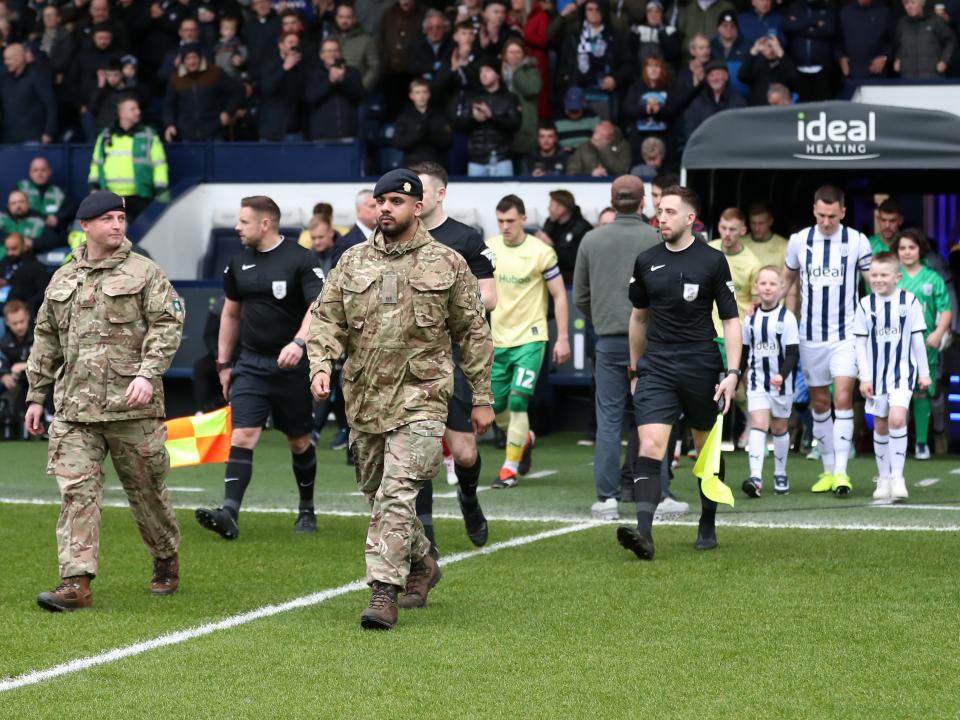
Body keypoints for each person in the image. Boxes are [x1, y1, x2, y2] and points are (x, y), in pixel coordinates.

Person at [306, 169, 494, 630]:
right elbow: (326, 319)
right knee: (378, 493)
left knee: (397, 492)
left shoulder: (447, 262)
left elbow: (472, 332)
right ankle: (423, 562)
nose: (386, 208)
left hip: (423, 398)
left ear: (417, 206)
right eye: (381, 201)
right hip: (365, 398)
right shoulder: (351, 262)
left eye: (396, 201)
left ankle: (383, 592)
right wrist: (319, 364)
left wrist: (482, 396)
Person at [24, 191, 185, 611]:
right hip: (76, 411)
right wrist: (36, 396)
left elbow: (167, 324)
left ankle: (165, 556)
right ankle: (75, 582)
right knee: (77, 494)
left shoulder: (145, 272)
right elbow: (45, 339)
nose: (118, 225)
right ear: (86, 225)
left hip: (133, 409)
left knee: (147, 493)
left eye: (121, 218)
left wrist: (148, 375)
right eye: (108, 219)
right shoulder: (62, 279)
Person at [619, 185, 741, 560]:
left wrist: (733, 372)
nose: (661, 217)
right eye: (659, 210)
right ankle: (644, 534)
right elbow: (638, 318)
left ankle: (707, 522)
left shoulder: (712, 261)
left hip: (702, 362)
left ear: (690, 218)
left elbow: (731, 320)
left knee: (706, 449)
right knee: (651, 445)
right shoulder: (646, 260)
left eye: (670, 211)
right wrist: (635, 370)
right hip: (657, 365)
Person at [195, 196, 326, 541]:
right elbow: (230, 314)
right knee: (243, 435)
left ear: (265, 223)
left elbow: (319, 306)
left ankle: (307, 508)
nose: (237, 228)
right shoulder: (237, 264)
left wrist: (299, 343)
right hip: (251, 364)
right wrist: (224, 364)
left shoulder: (301, 258)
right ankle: (229, 514)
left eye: (243, 221)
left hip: (293, 366)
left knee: (299, 442)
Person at [410, 160, 497, 551]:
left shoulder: (465, 239)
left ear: (440, 193)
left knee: (464, 452)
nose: (412, 198)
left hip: (455, 356)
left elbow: (489, 297)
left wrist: (436, 305)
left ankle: (469, 498)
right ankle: (426, 536)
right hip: (410, 359)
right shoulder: (397, 236)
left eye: (420, 190)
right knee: (420, 444)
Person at [573, 175, 661, 520]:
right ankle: (659, 494)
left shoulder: (592, 239)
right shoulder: (656, 237)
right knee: (654, 417)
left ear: (612, 200)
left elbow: (580, 296)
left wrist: (602, 319)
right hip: (653, 342)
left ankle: (606, 498)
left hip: (608, 338)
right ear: (643, 203)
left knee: (608, 420)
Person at [781, 185, 872, 495]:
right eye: (821, 215)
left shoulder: (857, 240)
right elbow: (787, 279)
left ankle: (843, 473)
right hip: (810, 336)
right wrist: (768, 305)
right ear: (814, 210)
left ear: (843, 212)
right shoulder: (799, 240)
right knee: (819, 403)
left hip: (846, 334)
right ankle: (828, 470)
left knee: (843, 397)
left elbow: (873, 281)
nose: (826, 222)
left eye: (832, 216)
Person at [486, 194, 571, 487]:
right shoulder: (490, 249)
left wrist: (563, 338)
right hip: (497, 340)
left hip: (531, 338)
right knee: (494, 408)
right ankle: (525, 438)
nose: (505, 227)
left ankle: (509, 469)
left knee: (519, 401)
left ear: (523, 219)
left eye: (510, 221)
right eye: (500, 221)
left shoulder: (541, 252)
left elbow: (560, 295)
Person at [855, 252, 930, 501]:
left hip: (902, 374)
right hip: (875, 377)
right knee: (879, 424)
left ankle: (898, 477)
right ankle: (883, 477)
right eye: (874, 275)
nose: (878, 279)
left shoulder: (909, 302)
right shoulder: (865, 305)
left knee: (897, 419)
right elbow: (860, 344)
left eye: (883, 275)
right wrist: (864, 377)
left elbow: (918, 339)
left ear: (897, 277)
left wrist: (925, 372)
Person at [739, 265, 799, 497]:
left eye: (773, 284)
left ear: (781, 288)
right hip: (757, 382)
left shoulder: (787, 318)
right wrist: (735, 375)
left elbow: (793, 353)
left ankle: (780, 473)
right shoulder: (750, 319)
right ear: (756, 287)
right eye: (763, 283)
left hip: (781, 384)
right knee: (758, 424)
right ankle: (755, 477)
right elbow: (745, 352)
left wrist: (781, 375)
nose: (767, 288)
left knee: (779, 427)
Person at [893, 230, 952, 460]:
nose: (907, 252)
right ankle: (898, 442)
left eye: (911, 248)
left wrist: (938, 333)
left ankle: (920, 443)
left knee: (921, 392)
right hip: (895, 344)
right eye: (902, 248)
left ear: (920, 250)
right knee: (897, 394)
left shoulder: (932, 278)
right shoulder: (892, 276)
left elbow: (945, 310)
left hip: (925, 344)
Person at [90, 97, 169, 223]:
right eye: (132, 109)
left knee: (138, 238)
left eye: (138, 108)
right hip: (111, 197)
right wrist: (94, 186)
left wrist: (161, 190)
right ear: (122, 113)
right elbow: (96, 162)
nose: (138, 112)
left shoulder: (149, 135)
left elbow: (159, 164)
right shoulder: (106, 135)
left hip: (140, 197)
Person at [450, 59, 521, 177]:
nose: (483, 74)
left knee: (504, 195)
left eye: (488, 70)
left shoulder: (510, 98)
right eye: (481, 71)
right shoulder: (472, 97)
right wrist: (473, 118)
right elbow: (458, 125)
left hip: (502, 158)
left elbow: (515, 125)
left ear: (498, 74)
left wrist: (491, 115)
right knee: (476, 196)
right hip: (476, 159)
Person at [163, 44, 243, 143]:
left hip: (214, 131)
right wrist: (169, 124)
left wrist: (228, 113)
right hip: (186, 134)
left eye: (194, 57)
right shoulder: (175, 78)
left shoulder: (215, 72)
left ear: (200, 57)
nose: (191, 62)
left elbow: (238, 91)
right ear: (183, 60)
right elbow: (169, 104)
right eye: (187, 58)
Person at [304, 37, 365, 140]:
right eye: (328, 51)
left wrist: (343, 81)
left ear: (340, 53)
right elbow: (310, 99)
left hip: (347, 133)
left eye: (335, 50)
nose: (332, 53)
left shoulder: (352, 73)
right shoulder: (313, 74)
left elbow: (360, 97)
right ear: (321, 55)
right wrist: (330, 81)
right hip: (322, 134)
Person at [0, 43, 57, 144]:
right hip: (8, 139)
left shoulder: (37, 76)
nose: (6, 62)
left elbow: (51, 104)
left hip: (32, 138)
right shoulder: (5, 79)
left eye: (8, 59)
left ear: (19, 58)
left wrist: (49, 132)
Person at [534, 189, 593, 283]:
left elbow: (575, 260)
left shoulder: (582, 228)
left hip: (572, 279)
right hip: (550, 275)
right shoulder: (550, 222)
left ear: (561, 208)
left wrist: (551, 245)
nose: (548, 208)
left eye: (551, 205)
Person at [258, 32, 308, 141]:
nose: (294, 45)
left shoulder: (303, 67)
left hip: (295, 130)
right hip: (271, 131)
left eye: (296, 43)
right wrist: (284, 68)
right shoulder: (269, 64)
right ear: (280, 45)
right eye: (290, 42)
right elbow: (267, 89)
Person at [393, 78, 453, 165]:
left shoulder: (440, 116)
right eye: (417, 92)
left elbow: (448, 142)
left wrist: (430, 134)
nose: (421, 96)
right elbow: (398, 143)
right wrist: (418, 134)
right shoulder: (403, 118)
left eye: (424, 92)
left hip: (435, 164)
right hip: (411, 165)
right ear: (411, 96)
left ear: (429, 94)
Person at [894, 0, 956, 79]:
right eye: (906, 4)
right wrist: (897, 58)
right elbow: (898, 45)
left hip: (932, 77)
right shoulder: (902, 23)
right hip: (908, 79)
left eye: (913, 3)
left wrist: (944, 61)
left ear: (921, 4)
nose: (909, 6)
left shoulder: (935, 20)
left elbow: (950, 41)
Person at [838, 0, 893, 81]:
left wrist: (885, 57)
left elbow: (893, 41)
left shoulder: (884, 12)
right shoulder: (845, 12)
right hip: (851, 74)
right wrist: (840, 57)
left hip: (876, 74)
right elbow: (837, 40)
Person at [0, 300, 33, 436]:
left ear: (28, 316)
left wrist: (25, 365)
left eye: (21, 321)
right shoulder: (5, 342)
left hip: (42, 383)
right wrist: (3, 376)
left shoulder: (40, 334)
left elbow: (53, 361)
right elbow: (3, 364)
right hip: (18, 386)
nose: (19, 326)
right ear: (7, 322)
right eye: (14, 323)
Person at [332, 0, 381, 91]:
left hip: (358, 94)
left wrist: (361, 87)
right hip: (333, 93)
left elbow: (375, 67)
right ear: (336, 18)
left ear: (354, 19)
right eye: (341, 17)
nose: (344, 21)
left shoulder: (367, 40)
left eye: (348, 17)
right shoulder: (329, 39)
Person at [17, 158, 71, 236]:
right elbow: (13, 209)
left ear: (49, 172)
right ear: (30, 173)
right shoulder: (20, 188)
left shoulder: (59, 192)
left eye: (43, 170)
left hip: (51, 237)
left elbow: (71, 209)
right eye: (35, 170)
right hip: (24, 235)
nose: (39, 173)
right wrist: (45, 218)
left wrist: (58, 218)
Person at [0, 233, 50, 313]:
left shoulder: (36, 267)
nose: (10, 253)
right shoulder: (4, 263)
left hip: (22, 311)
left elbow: (44, 291)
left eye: (14, 249)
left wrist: (26, 305)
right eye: (8, 249)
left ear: (24, 246)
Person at [1, 189, 60, 254]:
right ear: (8, 206)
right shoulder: (2, 217)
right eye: (13, 203)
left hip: (29, 257)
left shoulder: (39, 219)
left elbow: (53, 239)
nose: (18, 206)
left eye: (21, 202)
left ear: (28, 204)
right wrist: (17, 241)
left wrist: (33, 243)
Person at [565, 120, 632, 177]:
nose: (596, 138)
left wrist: (604, 149)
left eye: (601, 139)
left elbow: (622, 172)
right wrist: (590, 174)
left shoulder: (623, 146)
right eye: (595, 134)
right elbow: (571, 173)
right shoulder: (584, 148)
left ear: (610, 138)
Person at [331, 188, 378, 267]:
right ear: (358, 210)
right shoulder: (345, 243)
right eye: (372, 206)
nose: (378, 210)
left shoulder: (386, 237)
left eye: (378, 206)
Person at [743, 201, 787, 268]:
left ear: (770, 222)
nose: (756, 228)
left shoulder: (784, 245)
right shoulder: (741, 243)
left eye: (761, 223)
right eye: (753, 223)